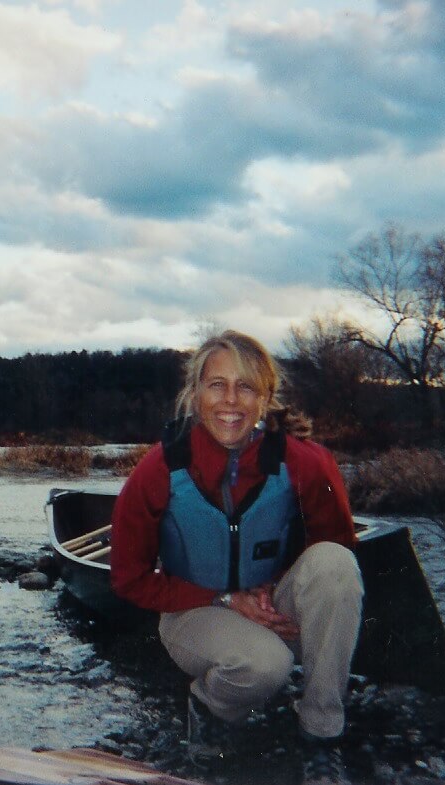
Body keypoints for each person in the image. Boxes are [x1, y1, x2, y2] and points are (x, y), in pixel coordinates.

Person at [110, 330, 363, 785]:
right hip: (193, 613)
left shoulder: (306, 462)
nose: (230, 400)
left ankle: (321, 731)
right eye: (217, 385)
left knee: (336, 565)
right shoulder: (157, 470)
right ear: (196, 393)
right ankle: (209, 704)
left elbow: (335, 544)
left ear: (264, 398)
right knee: (267, 666)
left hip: (272, 608)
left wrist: (273, 585)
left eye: (245, 386)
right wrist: (225, 599)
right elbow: (128, 579)